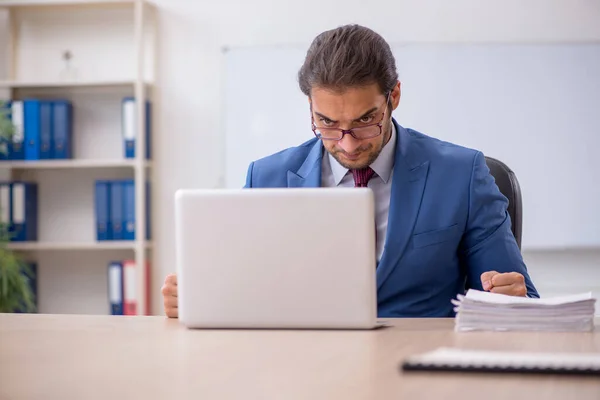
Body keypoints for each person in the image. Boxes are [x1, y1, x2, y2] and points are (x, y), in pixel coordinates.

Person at [162, 24, 538, 319]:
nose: (347, 143)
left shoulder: (461, 174)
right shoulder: (267, 177)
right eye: (326, 123)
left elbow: (523, 299)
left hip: (420, 364)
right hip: (304, 366)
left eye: (365, 120)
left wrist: (511, 297)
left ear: (393, 97)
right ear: (310, 107)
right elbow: (243, 290)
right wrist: (200, 299)